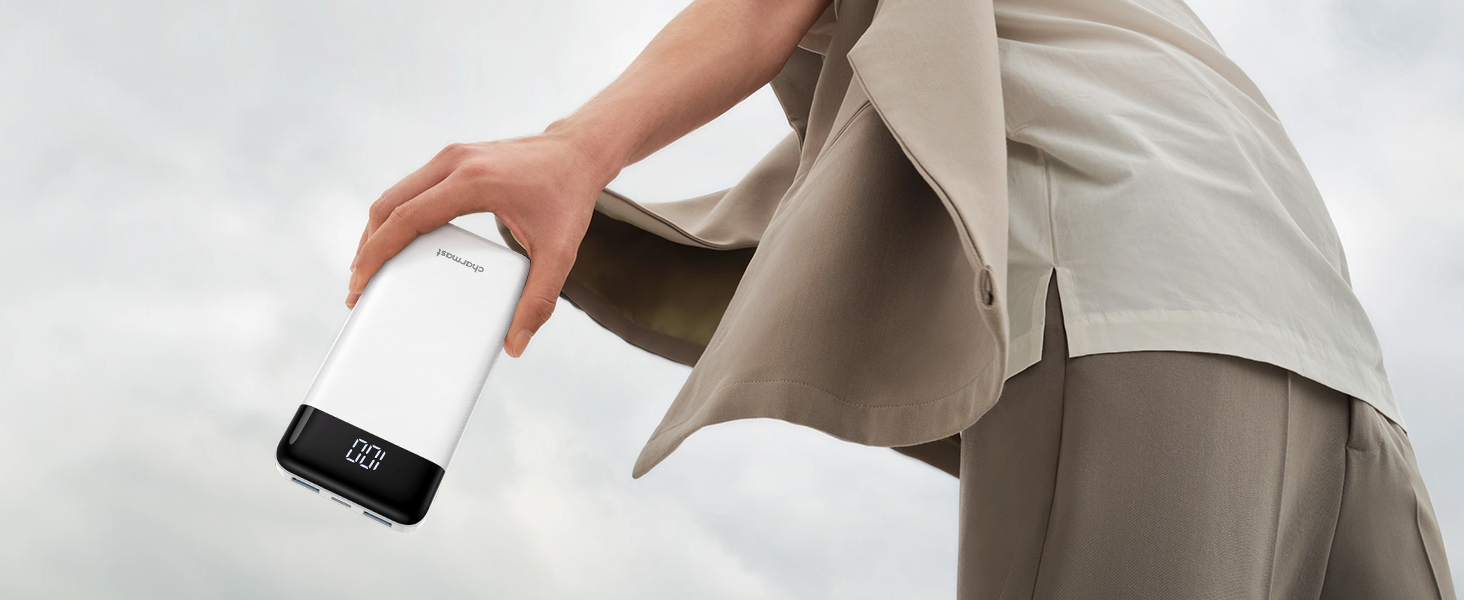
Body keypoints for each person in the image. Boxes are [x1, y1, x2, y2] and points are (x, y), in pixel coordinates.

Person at [343, 0, 1456, 597]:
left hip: (1139, 297)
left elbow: (754, 16)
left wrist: (575, 147)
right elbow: (848, 181)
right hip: (1333, 360)